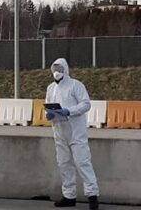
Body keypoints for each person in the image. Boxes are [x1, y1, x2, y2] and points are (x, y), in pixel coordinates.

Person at [45, 58, 100, 209]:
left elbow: (86, 104)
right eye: (54, 68)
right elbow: (48, 104)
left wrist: (69, 111)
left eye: (60, 69)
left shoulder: (76, 85)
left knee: (83, 162)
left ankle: (92, 196)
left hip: (76, 132)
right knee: (63, 164)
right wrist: (49, 114)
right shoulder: (50, 88)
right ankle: (69, 196)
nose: (57, 72)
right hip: (59, 132)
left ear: (65, 69)